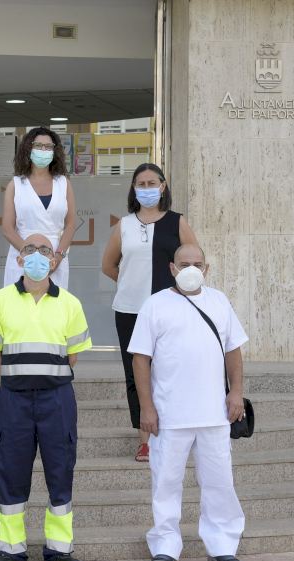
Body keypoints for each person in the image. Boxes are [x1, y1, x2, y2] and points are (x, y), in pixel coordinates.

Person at [0, 233, 92, 561]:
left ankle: (60, 549)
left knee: (60, 470)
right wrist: (19, 378)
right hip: (14, 399)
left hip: (57, 399)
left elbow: (73, 356)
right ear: (19, 259)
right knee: (11, 470)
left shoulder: (70, 303)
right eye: (29, 249)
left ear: (54, 260)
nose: (37, 255)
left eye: (44, 250)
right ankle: (11, 549)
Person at [129, 244, 247, 561]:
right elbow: (140, 359)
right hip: (169, 415)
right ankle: (165, 546)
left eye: (197, 263)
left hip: (215, 414)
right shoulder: (154, 305)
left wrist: (236, 392)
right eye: (184, 264)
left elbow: (233, 351)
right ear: (172, 268)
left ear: (206, 269)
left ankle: (222, 546)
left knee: (220, 483)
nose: (191, 269)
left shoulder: (219, 302)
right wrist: (146, 407)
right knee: (165, 483)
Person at [101, 164, 197, 462]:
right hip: (130, 311)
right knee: (136, 374)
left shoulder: (178, 222)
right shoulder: (124, 225)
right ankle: (145, 440)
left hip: (171, 310)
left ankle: (174, 434)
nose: (146, 188)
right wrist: (131, 285)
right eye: (140, 183)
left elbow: (194, 264)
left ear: (163, 186)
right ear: (133, 188)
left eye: (152, 183)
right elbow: (108, 265)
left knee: (170, 371)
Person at [0, 127, 76, 289]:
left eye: (48, 147)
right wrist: (30, 254)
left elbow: (70, 225)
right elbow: (7, 229)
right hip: (22, 257)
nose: (43, 150)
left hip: (55, 257)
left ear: (55, 151)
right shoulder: (15, 185)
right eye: (38, 146)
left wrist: (57, 257)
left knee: (53, 302)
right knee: (20, 302)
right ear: (28, 148)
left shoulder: (64, 184)